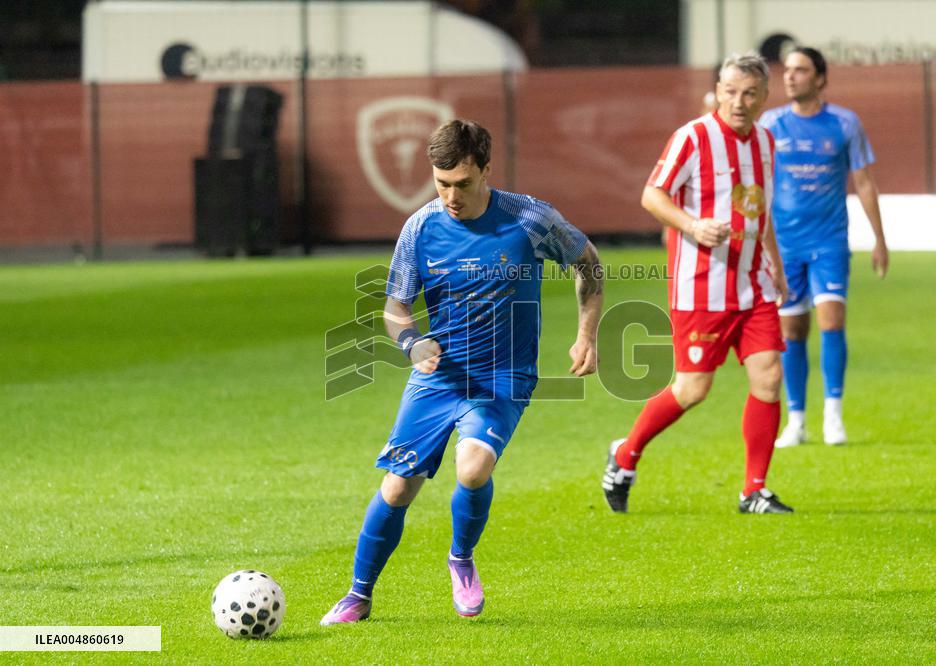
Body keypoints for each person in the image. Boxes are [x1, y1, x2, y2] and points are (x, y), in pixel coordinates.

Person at [321, 119, 603, 624]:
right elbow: (395, 307)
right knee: (398, 487)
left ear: (487, 170)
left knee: (473, 468)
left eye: (463, 183)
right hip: (439, 375)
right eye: (441, 183)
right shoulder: (420, 227)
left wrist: (587, 335)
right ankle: (358, 595)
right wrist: (411, 343)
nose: (451, 196)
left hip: (503, 375)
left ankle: (461, 558)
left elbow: (589, 263)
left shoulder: (530, 219)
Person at [602, 51, 794, 515]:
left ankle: (754, 490)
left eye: (749, 94)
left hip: (754, 284)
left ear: (764, 97)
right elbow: (652, 194)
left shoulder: (766, 142)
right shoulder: (692, 137)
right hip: (701, 287)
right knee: (692, 389)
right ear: (718, 92)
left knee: (769, 377)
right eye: (730, 92)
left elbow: (760, 211)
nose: (739, 102)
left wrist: (776, 264)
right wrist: (692, 225)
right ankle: (625, 455)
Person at [759, 47, 889, 447]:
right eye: (787, 70)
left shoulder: (845, 123)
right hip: (785, 245)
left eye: (800, 70)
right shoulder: (771, 124)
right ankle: (796, 420)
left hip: (829, 240)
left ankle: (833, 415)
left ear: (820, 78)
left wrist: (879, 239)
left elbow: (864, 183)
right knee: (792, 330)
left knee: (832, 321)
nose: (790, 76)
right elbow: (758, 184)